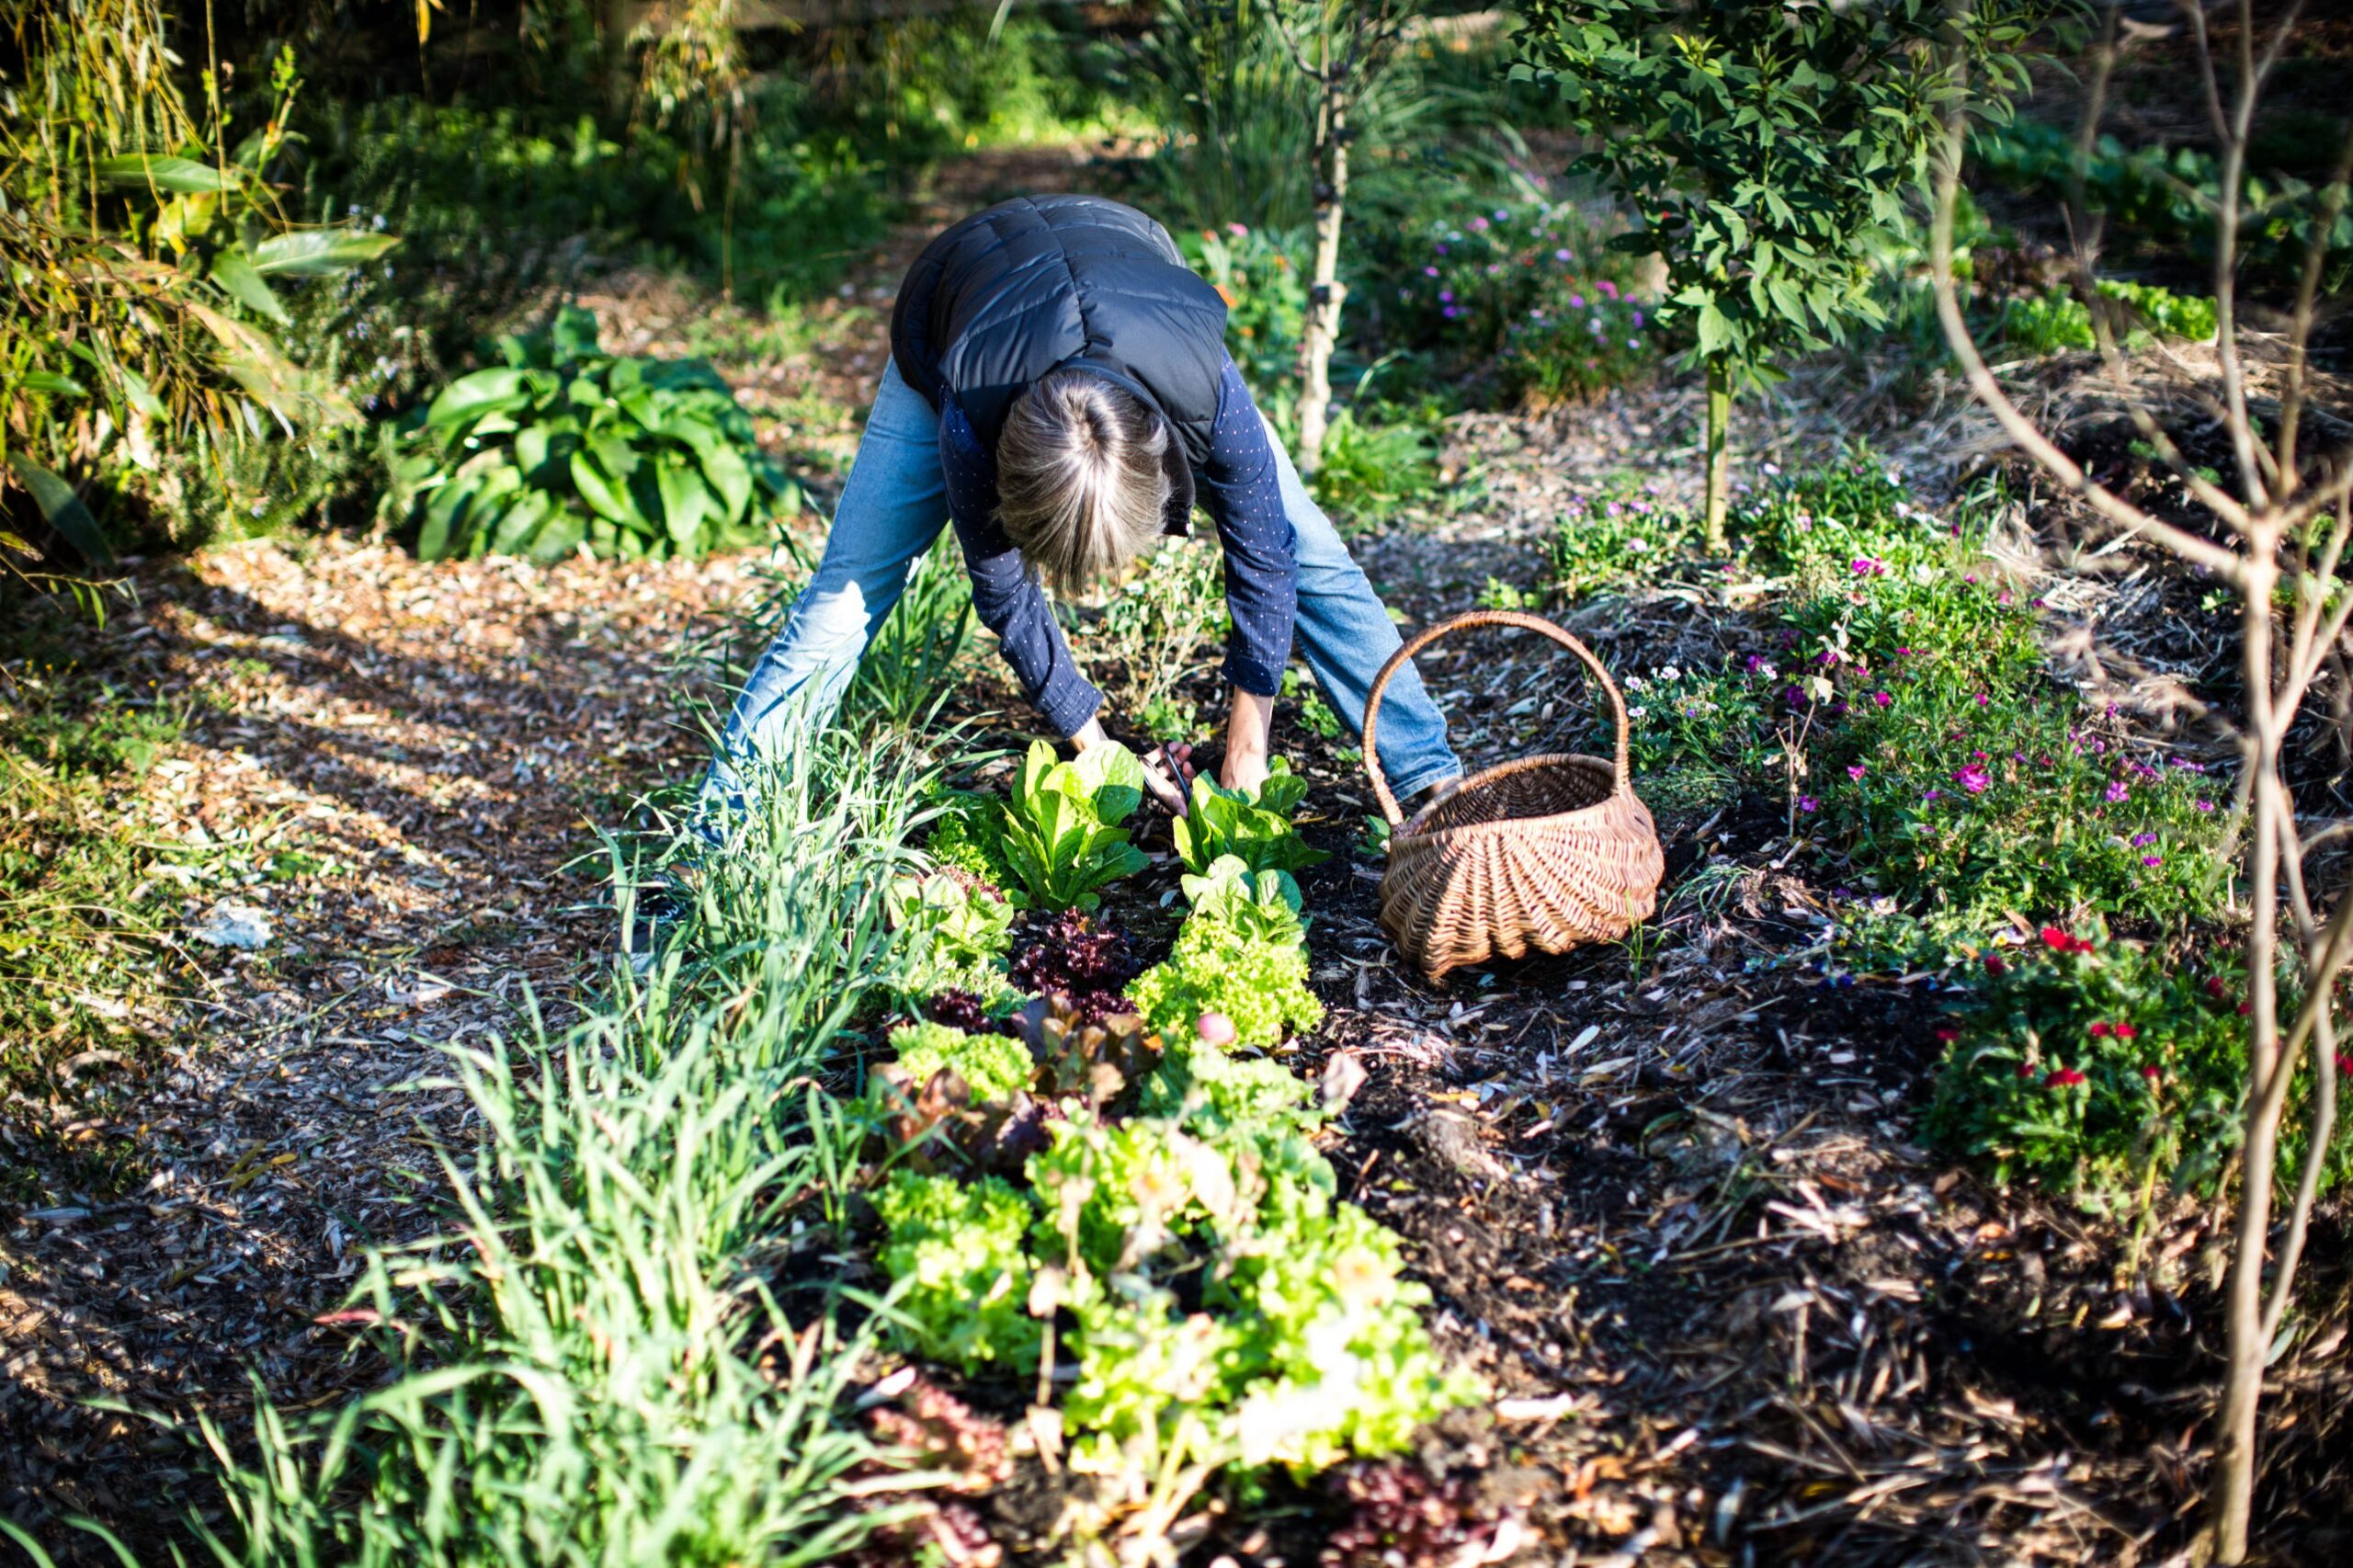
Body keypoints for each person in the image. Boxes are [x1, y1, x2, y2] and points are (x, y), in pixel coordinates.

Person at [703, 193, 1460, 819]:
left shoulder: (1202, 389)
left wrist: (1247, 749)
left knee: (1312, 548)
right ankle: (717, 839)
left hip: (1129, 274)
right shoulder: (973, 416)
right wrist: (1096, 747)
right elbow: (1005, 593)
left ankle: (1432, 777)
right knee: (846, 595)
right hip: (957, 301)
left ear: (1160, 460)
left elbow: (1265, 553)